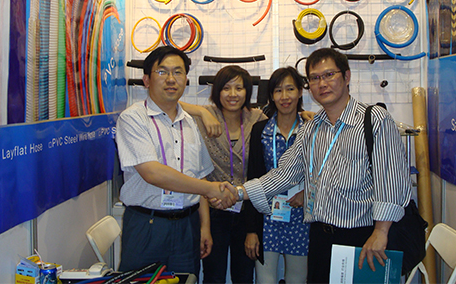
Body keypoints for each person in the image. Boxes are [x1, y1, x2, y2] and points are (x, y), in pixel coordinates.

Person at [228, 48, 412, 284]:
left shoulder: (374, 119)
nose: (322, 83)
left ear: (346, 76)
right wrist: (239, 192)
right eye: (314, 78)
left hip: (363, 237)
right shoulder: (311, 128)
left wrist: (381, 231)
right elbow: (284, 174)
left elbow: (392, 180)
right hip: (319, 236)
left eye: (329, 75)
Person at [116, 46, 237, 276]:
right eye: (162, 72)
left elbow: (199, 175)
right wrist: (211, 189)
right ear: (146, 80)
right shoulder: (133, 119)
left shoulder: (190, 122)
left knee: (186, 280)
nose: (171, 79)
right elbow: (153, 173)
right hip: (147, 226)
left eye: (178, 72)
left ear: (185, 80)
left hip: (187, 227)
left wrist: (204, 227)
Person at [192, 65, 267, 284]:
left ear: (247, 92)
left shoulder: (257, 118)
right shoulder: (205, 117)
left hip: (248, 211)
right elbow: (174, 104)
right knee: (213, 276)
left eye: (239, 88)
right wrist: (202, 112)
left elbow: (286, 116)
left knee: (244, 276)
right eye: (226, 88)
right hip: (213, 210)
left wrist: (306, 114)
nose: (233, 94)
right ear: (217, 91)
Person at [243, 67, 310, 284]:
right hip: (267, 216)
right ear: (271, 95)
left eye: (290, 89)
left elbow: (323, 173)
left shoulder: (311, 130)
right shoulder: (260, 131)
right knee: (265, 279)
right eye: (278, 90)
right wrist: (251, 230)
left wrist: (308, 193)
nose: (284, 96)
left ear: (300, 92)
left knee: (297, 279)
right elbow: (253, 178)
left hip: (302, 217)